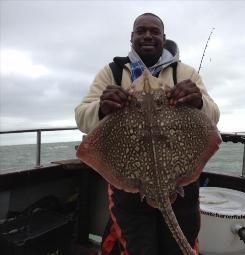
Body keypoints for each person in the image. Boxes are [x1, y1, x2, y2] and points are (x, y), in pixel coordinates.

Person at [75, 13, 220, 255]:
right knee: (137, 248)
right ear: (132, 37)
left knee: (180, 247)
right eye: (141, 31)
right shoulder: (111, 73)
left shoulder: (184, 73)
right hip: (130, 186)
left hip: (180, 179)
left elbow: (213, 116)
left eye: (154, 31)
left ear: (164, 38)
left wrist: (198, 102)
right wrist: (101, 107)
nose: (148, 35)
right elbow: (81, 117)